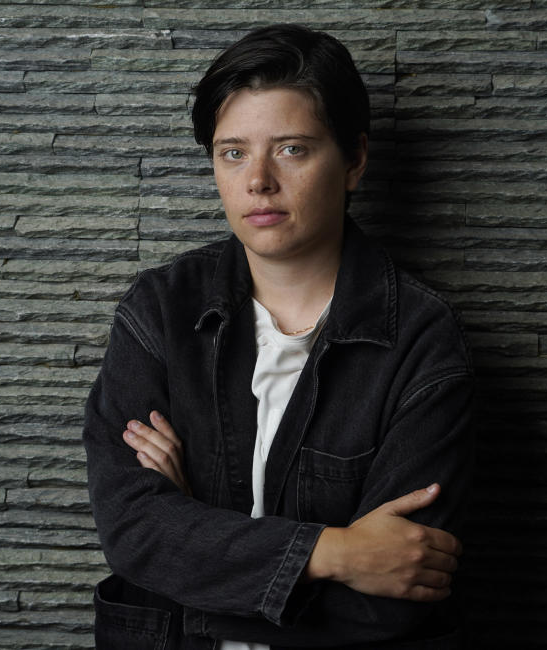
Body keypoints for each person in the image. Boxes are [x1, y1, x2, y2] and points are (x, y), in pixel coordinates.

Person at [82, 24, 475, 649]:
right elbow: (135, 530)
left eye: (291, 148)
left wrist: (196, 539)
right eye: (232, 152)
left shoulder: (420, 341)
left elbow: (400, 587)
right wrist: (335, 551)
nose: (258, 180)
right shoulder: (160, 311)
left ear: (355, 160)